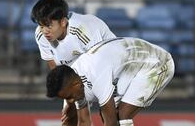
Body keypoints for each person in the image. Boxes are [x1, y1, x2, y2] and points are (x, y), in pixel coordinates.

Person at [31, 0, 116, 125]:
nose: (44, 31)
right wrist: (69, 99)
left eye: (48, 25)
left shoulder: (84, 30)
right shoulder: (41, 35)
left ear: (63, 22)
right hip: (76, 72)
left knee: (110, 117)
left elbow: (98, 69)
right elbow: (56, 70)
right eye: (41, 25)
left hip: (107, 67)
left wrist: (77, 102)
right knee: (70, 118)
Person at [46, 37, 175, 126]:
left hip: (158, 63)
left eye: (69, 97)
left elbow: (112, 123)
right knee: (107, 114)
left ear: (77, 85)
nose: (70, 101)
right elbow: (83, 122)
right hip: (131, 69)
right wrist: (69, 107)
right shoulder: (71, 83)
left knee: (122, 115)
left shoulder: (95, 74)